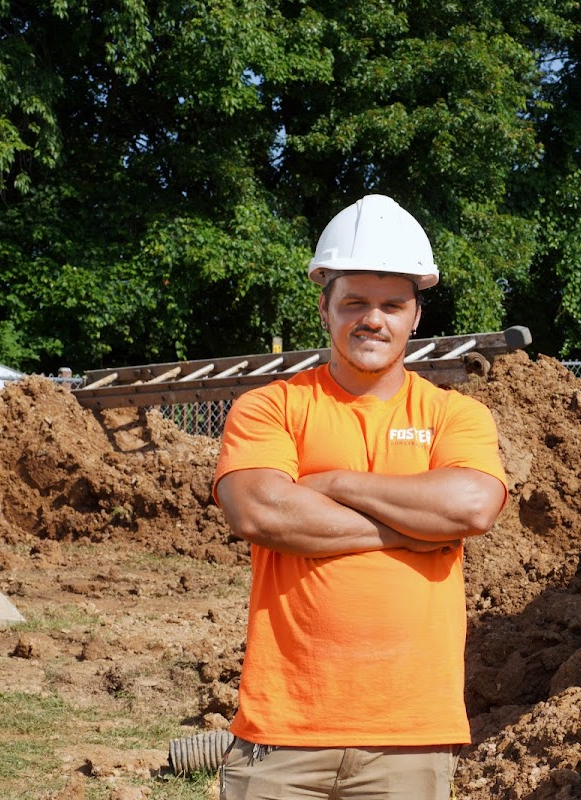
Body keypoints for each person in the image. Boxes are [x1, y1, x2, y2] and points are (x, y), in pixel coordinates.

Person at [212, 194, 508, 800]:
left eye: (392, 304)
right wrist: (410, 528)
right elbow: (259, 509)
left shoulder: (456, 415)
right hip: (282, 734)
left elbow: (471, 507)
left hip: (408, 738)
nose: (372, 319)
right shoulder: (272, 407)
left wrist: (337, 484)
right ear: (325, 307)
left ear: (415, 316)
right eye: (355, 303)